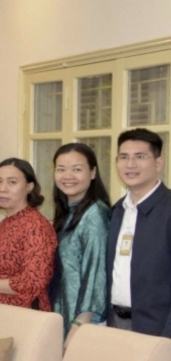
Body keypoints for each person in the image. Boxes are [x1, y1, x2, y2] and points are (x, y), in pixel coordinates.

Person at [107, 128, 171, 336]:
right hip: (116, 322)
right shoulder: (118, 209)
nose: (130, 165)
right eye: (123, 157)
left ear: (158, 163)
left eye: (140, 157)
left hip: (158, 328)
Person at [0, 159, 57, 311]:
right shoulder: (5, 223)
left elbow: (34, 280)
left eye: (12, 182)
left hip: (24, 315)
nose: (3, 189)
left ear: (29, 187)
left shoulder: (35, 226)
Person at [50, 143, 111, 336]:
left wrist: (79, 324)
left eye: (77, 169)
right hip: (62, 310)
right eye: (61, 169)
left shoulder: (95, 214)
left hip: (82, 321)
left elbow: (96, 274)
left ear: (93, 173)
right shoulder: (67, 212)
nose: (68, 176)